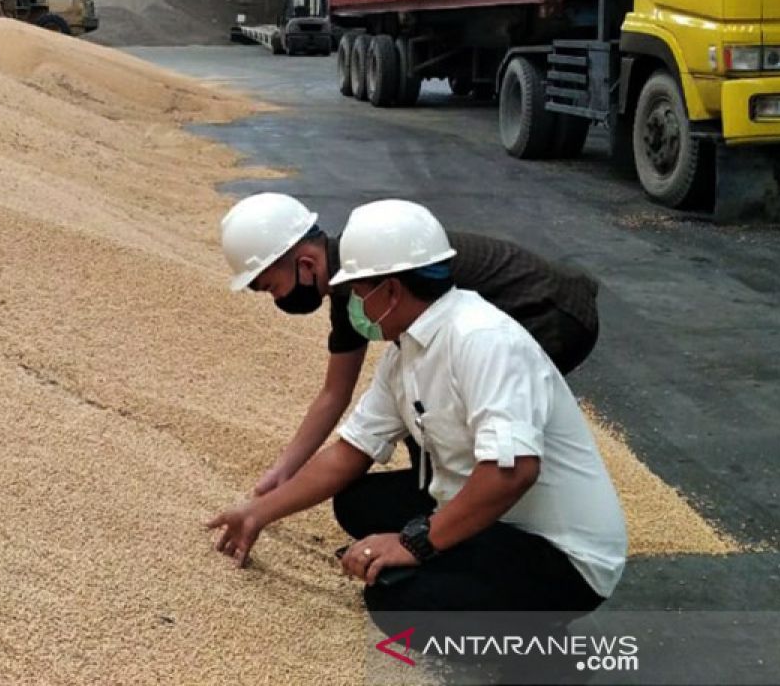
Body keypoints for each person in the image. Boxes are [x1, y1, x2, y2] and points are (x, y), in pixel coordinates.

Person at [207, 199, 627, 616]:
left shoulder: (483, 338)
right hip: (502, 515)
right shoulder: (405, 351)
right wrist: (258, 511)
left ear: (390, 291)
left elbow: (512, 470)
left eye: (356, 293)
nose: (353, 308)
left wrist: (414, 542)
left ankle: (542, 649)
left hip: (559, 551)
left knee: (398, 602)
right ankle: (455, 536)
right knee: (356, 503)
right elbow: (349, 453)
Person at [219, 192, 600, 496]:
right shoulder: (350, 286)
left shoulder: (363, 276)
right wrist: (286, 469)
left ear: (305, 264)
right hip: (546, 302)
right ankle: (448, 505)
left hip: (553, 313)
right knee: (430, 414)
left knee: (457, 419)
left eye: (272, 286)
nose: (277, 299)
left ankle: (469, 524)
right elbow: (334, 393)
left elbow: (397, 389)